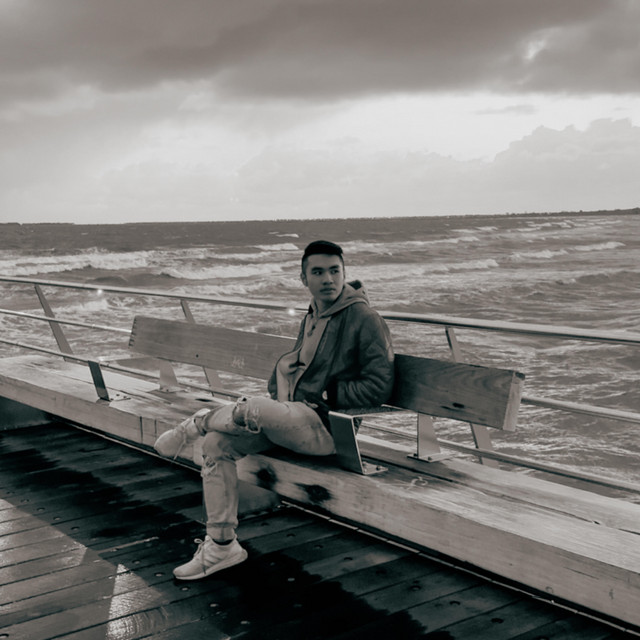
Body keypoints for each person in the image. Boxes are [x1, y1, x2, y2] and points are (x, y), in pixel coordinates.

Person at [154, 240, 395, 580]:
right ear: (303, 279)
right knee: (216, 445)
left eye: (334, 271)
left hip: (327, 428)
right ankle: (221, 546)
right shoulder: (313, 315)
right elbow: (299, 367)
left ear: (344, 273)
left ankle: (194, 424)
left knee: (250, 409)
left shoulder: (364, 318)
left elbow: (380, 386)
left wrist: (328, 393)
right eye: (318, 272)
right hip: (293, 419)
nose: (328, 279)